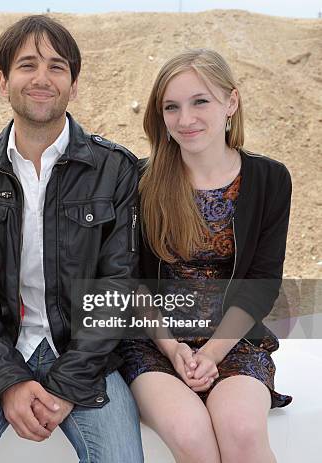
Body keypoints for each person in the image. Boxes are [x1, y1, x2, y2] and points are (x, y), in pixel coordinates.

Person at [0, 15, 144, 463]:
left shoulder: (116, 169)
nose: (42, 78)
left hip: (86, 356)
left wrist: (67, 386)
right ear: (3, 81)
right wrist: (8, 381)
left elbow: (117, 287)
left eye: (56, 66)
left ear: (74, 84)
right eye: (27, 65)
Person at [118, 48, 292, 463]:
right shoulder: (139, 182)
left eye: (200, 101)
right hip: (153, 343)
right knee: (191, 434)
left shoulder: (269, 179)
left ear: (230, 102)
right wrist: (174, 348)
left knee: (243, 432)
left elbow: (262, 284)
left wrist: (211, 353)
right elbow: (131, 281)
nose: (185, 119)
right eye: (171, 107)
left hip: (235, 340)